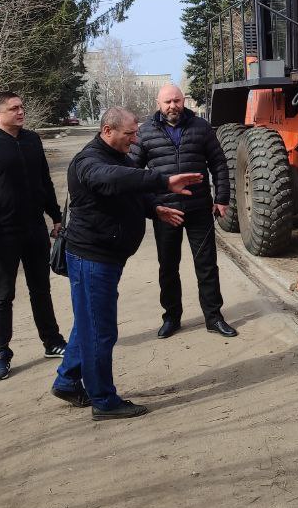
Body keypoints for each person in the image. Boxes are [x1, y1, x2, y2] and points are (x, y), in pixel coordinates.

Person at [50, 107, 201, 420]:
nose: (135, 141)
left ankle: (67, 381)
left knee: (88, 324)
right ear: (108, 131)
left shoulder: (118, 155)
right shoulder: (89, 161)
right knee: (100, 332)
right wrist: (161, 180)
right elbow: (113, 180)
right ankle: (103, 401)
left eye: (136, 133)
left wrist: (154, 209)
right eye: (129, 134)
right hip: (92, 258)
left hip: (106, 258)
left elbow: (128, 190)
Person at [0, 91, 66, 382]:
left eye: (22, 107)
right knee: (4, 293)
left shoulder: (32, 140)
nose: (21, 112)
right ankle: (2, 352)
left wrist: (56, 216)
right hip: (3, 231)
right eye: (14, 109)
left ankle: (52, 341)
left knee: (41, 288)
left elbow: (44, 181)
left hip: (34, 227)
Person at [131, 84, 237, 339]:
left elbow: (219, 163)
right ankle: (171, 317)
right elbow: (132, 174)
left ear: (183, 101)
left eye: (177, 100)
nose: (173, 106)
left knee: (207, 266)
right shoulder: (145, 133)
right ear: (158, 103)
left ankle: (214, 317)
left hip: (199, 208)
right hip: (166, 211)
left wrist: (222, 198)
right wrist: (152, 208)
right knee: (168, 267)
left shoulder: (201, 127)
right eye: (167, 102)